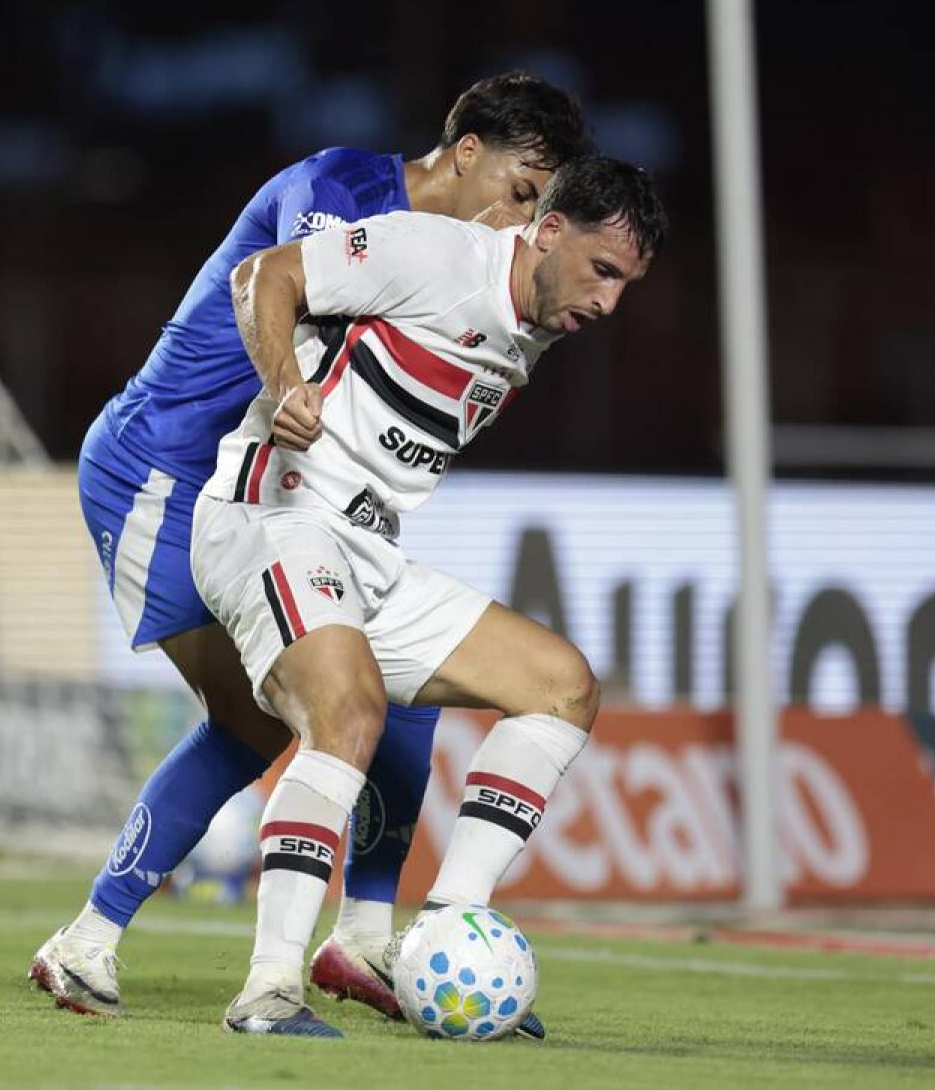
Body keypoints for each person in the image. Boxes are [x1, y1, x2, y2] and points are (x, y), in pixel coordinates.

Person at [30, 74, 592, 1024]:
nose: (524, 217)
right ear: (466, 154)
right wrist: (291, 374)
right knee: (265, 719)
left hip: (282, 498)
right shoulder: (340, 191)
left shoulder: (468, 265)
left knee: (392, 689)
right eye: (523, 189)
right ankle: (91, 935)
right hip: (165, 471)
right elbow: (282, 281)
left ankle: (367, 936)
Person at [197, 155, 665, 1037]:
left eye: (627, 284)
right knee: (349, 710)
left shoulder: (537, 312)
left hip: (367, 553)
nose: (609, 303)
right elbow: (266, 274)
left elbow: (500, 250)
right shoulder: (434, 258)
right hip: (273, 513)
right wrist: (284, 386)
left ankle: (449, 924)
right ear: (553, 232)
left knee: (562, 685)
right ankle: (267, 990)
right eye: (604, 271)